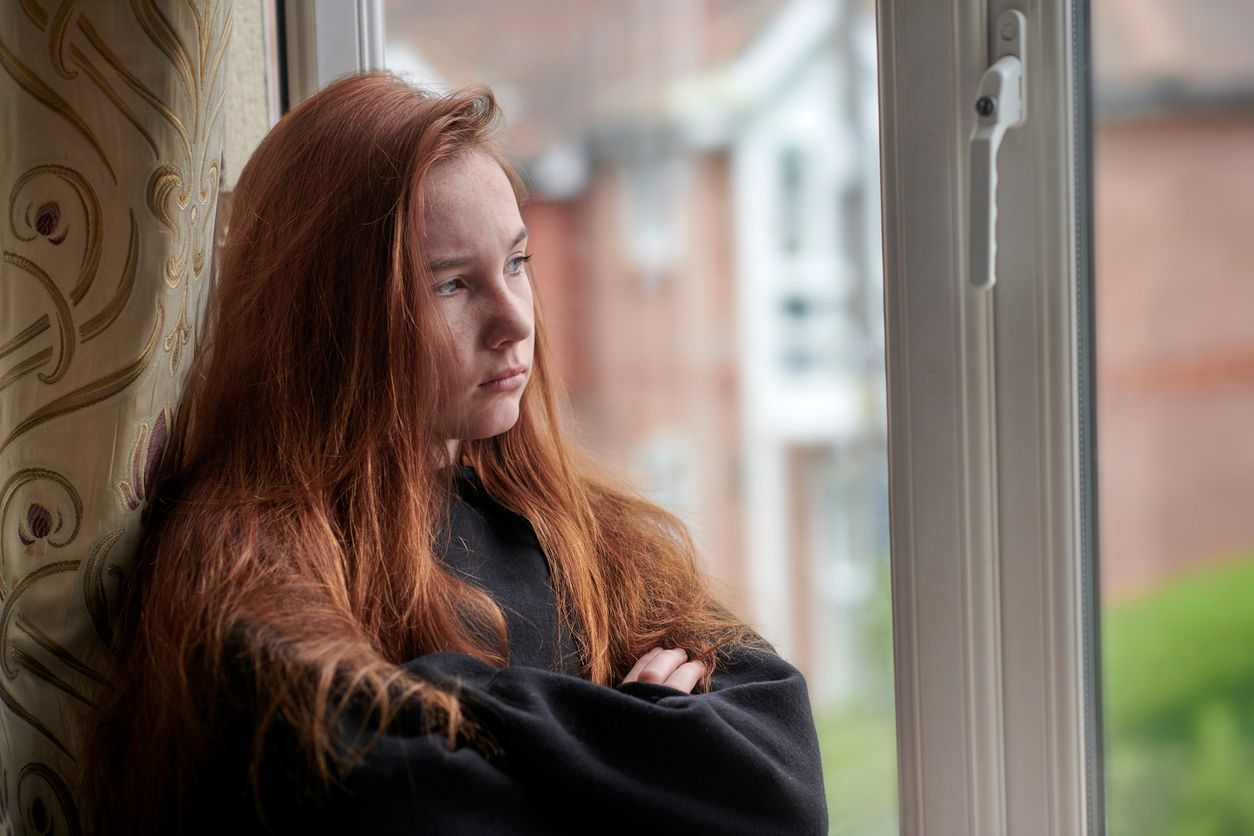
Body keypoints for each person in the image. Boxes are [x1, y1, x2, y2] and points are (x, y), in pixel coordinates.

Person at [78, 71, 827, 835]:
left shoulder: (590, 536)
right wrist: (644, 729)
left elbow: (784, 786)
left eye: (516, 263)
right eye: (450, 285)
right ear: (330, 316)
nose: (513, 320)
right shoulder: (244, 562)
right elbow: (386, 805)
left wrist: (439, 701)